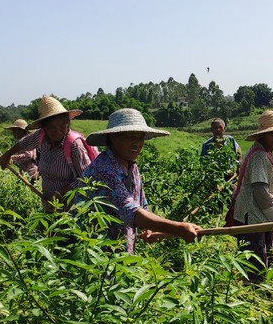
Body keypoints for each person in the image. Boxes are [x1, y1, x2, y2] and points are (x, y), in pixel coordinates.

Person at [75, 108, 200, 252]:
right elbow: (132, 212)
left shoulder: (130, 165)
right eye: (130, 137)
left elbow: (141, 205)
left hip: (119, 255)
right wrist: (178, 228)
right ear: (114, 137)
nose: (137, 143)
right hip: (94, 254)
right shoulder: (104, 170)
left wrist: (148, 228)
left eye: (140, 137)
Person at [230, 110, 273, 281]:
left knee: (267, 254)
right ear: (263, 135)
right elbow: (260, 192)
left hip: (261, 216)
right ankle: (255, 294)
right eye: (272, 133)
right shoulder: (259, 156)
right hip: (254, 217)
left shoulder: (264, 152)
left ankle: (264, 291)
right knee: (256, 261)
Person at [0, 96, 96, 209]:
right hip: (49, 204)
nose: (58, 132)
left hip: (72, 209)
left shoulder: (74, 145)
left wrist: (61, 193)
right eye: (52, 128)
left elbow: (86, 178)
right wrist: (7, 154)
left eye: (62, 126)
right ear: (44, 128)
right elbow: (24, 142)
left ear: (68, 123)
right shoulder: (41, 136)